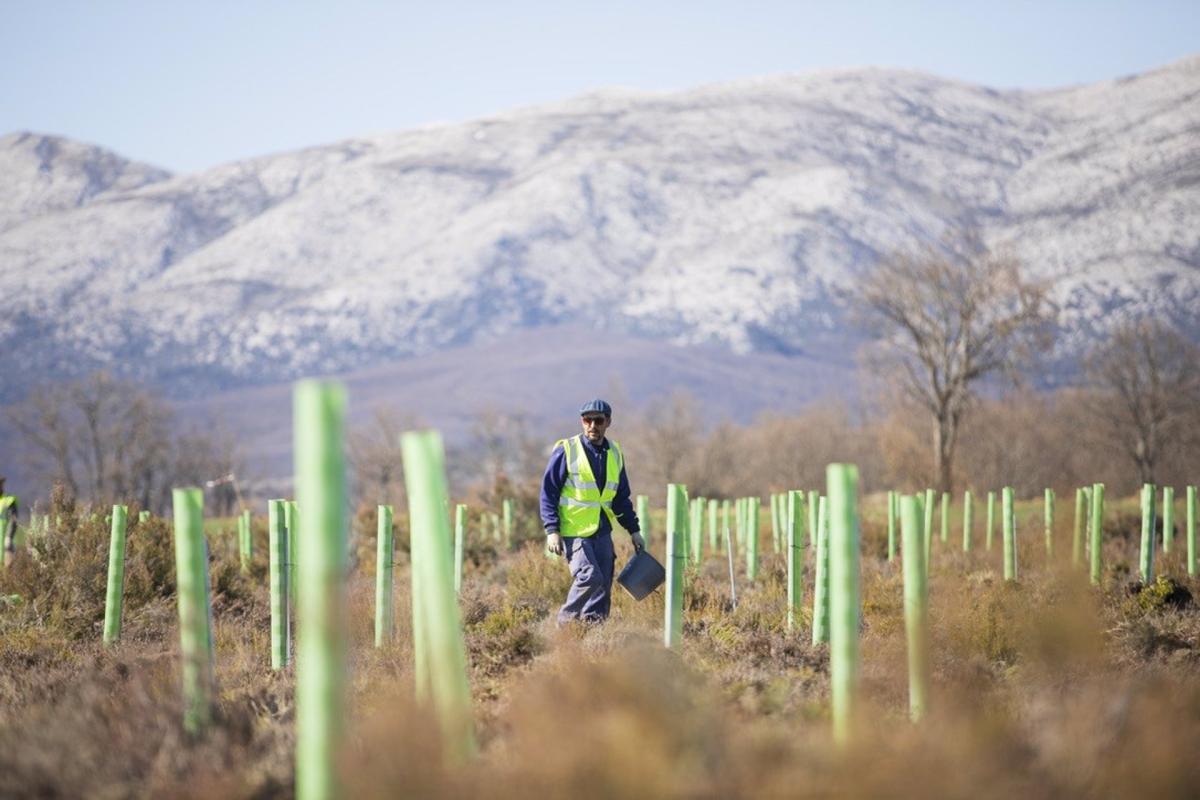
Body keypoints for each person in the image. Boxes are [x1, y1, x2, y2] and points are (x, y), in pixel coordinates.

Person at [541, 399, 644, 624]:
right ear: (582, 421)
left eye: (598, 420)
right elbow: (548, 492)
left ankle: (593, 633)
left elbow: (620, 499)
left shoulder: (615, 453)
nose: (592, 426)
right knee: (589, 576)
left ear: (608, 422)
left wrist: (634, 531)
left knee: (603, 583)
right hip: (574, 529)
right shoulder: (566, 450)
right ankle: (565, 626)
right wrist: (552, 530)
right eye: (588, 420)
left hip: (602, 530)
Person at [0, 476, 19, 567]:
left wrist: (9, 537)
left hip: (6, 542)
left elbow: (13, 520)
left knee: (7, 568)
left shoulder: (9, 500)